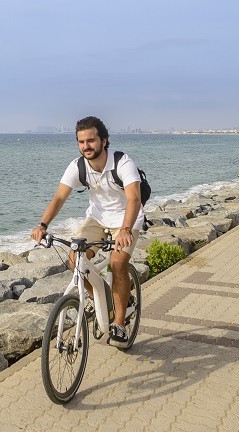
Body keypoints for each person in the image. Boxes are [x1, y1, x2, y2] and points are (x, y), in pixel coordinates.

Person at [30, 116, 145, 348]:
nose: (86, 147)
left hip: (126, 219)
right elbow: (60, 196)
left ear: (104, 140)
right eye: (81, 142)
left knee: (118, 263)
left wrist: (125, 230)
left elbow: (134, 198)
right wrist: (43, 225)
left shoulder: (122, 162)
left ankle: (120, 324)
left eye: (91, 141)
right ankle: (99, 297)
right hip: (97, 218)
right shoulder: (78, 166)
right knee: (75, 261)